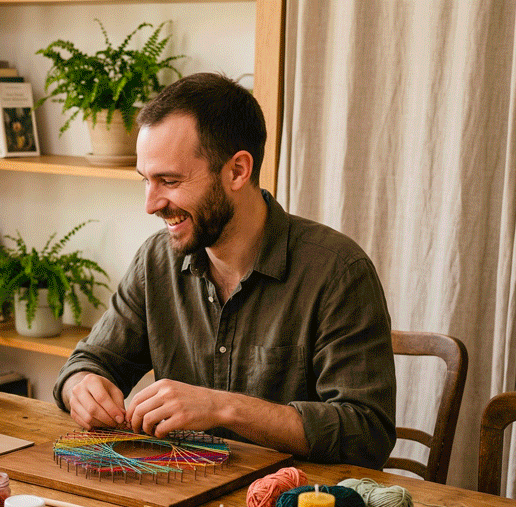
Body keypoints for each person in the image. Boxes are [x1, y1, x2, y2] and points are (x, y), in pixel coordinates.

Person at [54, 73, 395, 468]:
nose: (150, 204)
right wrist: (83, 387)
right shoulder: (156, 262)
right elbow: (88, 361)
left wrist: (224, 408)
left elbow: (367, 432)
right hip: (176, 503)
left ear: (237, 171)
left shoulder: (338, 272)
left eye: (170, 180)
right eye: (146, 181)